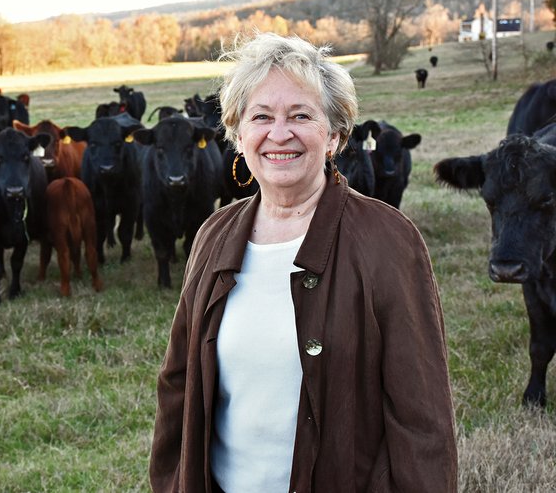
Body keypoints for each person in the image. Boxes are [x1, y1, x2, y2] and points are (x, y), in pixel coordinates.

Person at [149, 33, 457, 492]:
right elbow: (178, 385)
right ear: (238, 134)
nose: (279, 134)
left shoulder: (389, 241)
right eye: (261, 117)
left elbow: (422, 419)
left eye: (300, 116)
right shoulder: (214, 236)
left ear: (333, 135)